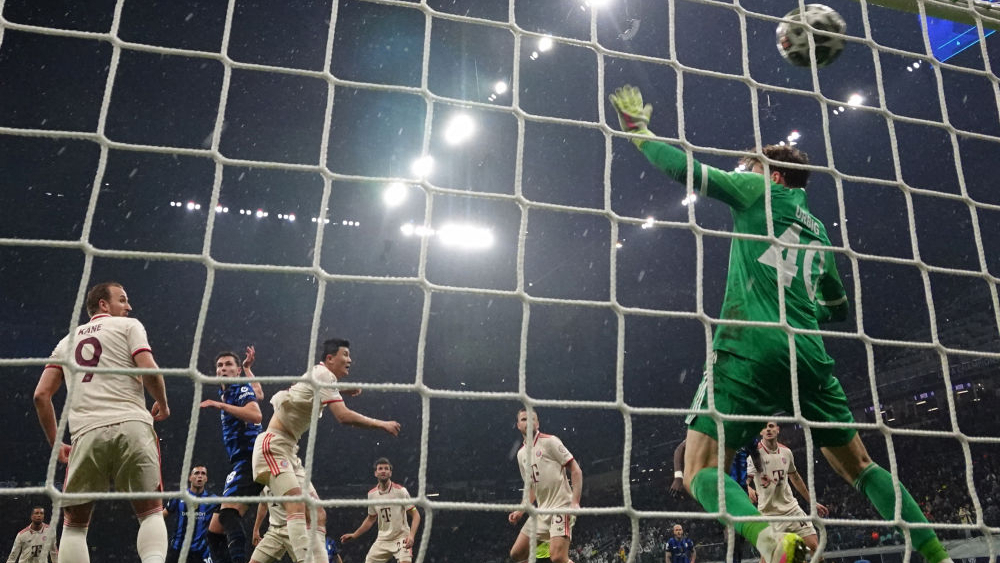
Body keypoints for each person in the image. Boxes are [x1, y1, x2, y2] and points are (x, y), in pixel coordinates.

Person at [609, 85, 954, 563]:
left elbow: (686, 170)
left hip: (750, 347)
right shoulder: (820, 232)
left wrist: (639, 132)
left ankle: (769, 541)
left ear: (773, 175)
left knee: (699, 469)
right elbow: (838, 307)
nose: (743, 174)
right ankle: (938, 556)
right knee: (861, 466)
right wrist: (799, 305)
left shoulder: (760, 192)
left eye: (749, 168)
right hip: (808, 356)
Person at [34, 282, 170, 563]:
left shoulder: (66, 342)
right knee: (151, 512)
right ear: (103, 304)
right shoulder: (129, 326)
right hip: (132, 425)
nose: (129, 306)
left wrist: (56, 443)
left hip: (87, 433)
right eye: (123, 300)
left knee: (74, 526)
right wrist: (164, 403)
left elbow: (41, 396)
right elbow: (149, 369)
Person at [251, 338, 400, 563]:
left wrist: (342, 389)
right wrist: (382, 424)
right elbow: (343, 416)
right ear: (330, 358)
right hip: (272, 446)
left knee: (318, 513)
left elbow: (311, 389)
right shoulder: (323, 374)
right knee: (297, 505)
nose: (350, 360)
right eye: (345, 355)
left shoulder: (320, 376)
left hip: (289, 451)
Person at [200, 348, 265, 563]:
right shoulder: (231, 390)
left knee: (228, 515)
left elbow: (256, 415)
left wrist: (220, 405)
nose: (223, 368)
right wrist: (248, 368)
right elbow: (259, 393)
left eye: (229, 364)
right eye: (220, 365)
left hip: (250, 458)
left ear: (236, 372)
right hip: (242, 461)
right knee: (214, 532)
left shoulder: (238, 388)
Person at [508, 409, 583, 563]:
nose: (528, 422)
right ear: (518, 425)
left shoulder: (550, 442)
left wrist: (575, 502)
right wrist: (520, 511)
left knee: (558, 557)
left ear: (537, 423)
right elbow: (531, 488)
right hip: (541, 512)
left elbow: (576, 470)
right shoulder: (521, 455)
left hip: (561, 507)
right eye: (524, 419)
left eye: (532, 419)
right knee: (517, 554)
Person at [746, 422, 828, 561]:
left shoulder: (786, 452)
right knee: (768, 558)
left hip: (792, 510)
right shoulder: (754, 456)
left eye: (771, 426)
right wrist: (748, 488)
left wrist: (812, 502)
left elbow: (795, 477)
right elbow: (745, 480)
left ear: (778, 429)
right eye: (765, 427)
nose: (768, 430)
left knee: (815, 547)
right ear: (761, 432)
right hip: (769, 514)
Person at [672, 438, 759, 563]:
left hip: (741, 492)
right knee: (732, 533)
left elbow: (756, 454)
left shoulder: (745, 433)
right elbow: (680, 449)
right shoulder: (713, 430)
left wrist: (760, 474)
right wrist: (678, 477)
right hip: (719, 490)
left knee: (738, 537)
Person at [340, 458, 421, 563]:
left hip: (401, 538)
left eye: (386, 468)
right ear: (375, 473)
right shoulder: (371, 494)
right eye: (380, 468)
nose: (383, 471)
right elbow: (371, 518)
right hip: (383, 539)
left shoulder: (401, 491)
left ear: (390, 473)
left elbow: (416, 514)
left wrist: (411, 536)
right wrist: (354, 534)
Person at [163, 466, 217, 563]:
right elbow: (161, 517)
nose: (200, 476)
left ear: (206, 479)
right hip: (177, 549)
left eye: (203, 474)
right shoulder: (178, 497)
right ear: (190, 478)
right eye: (196, 473)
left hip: (200, 552)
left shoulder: (213, 500)